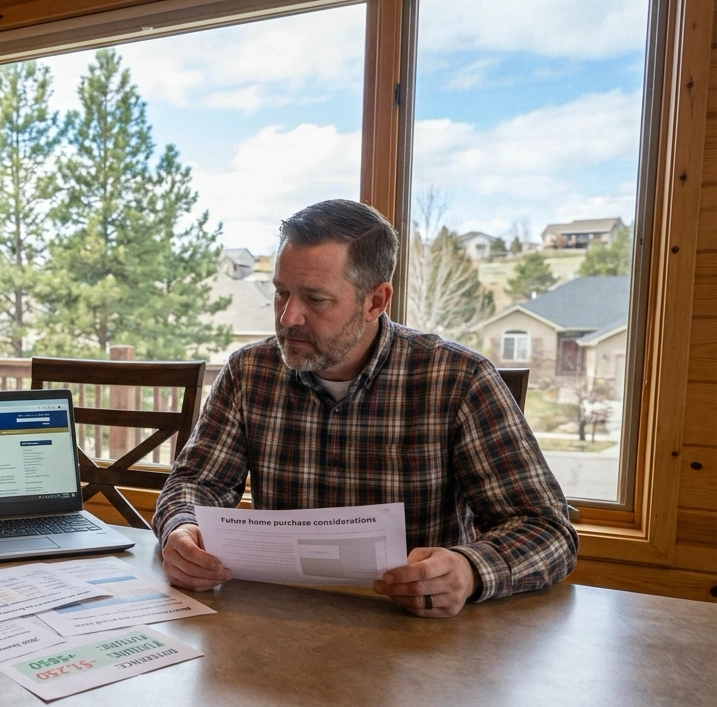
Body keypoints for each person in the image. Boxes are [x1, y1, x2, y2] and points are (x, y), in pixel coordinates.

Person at [154, 199, 577, 617]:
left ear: (376, 301)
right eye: (281, 293)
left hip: (415, 635)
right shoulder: (250, 371)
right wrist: (182, 528)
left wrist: (469, 570)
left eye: (315, 299)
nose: (288, 317)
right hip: (278, 619)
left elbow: (547, 530)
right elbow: (196, 482)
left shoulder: (458, 380)